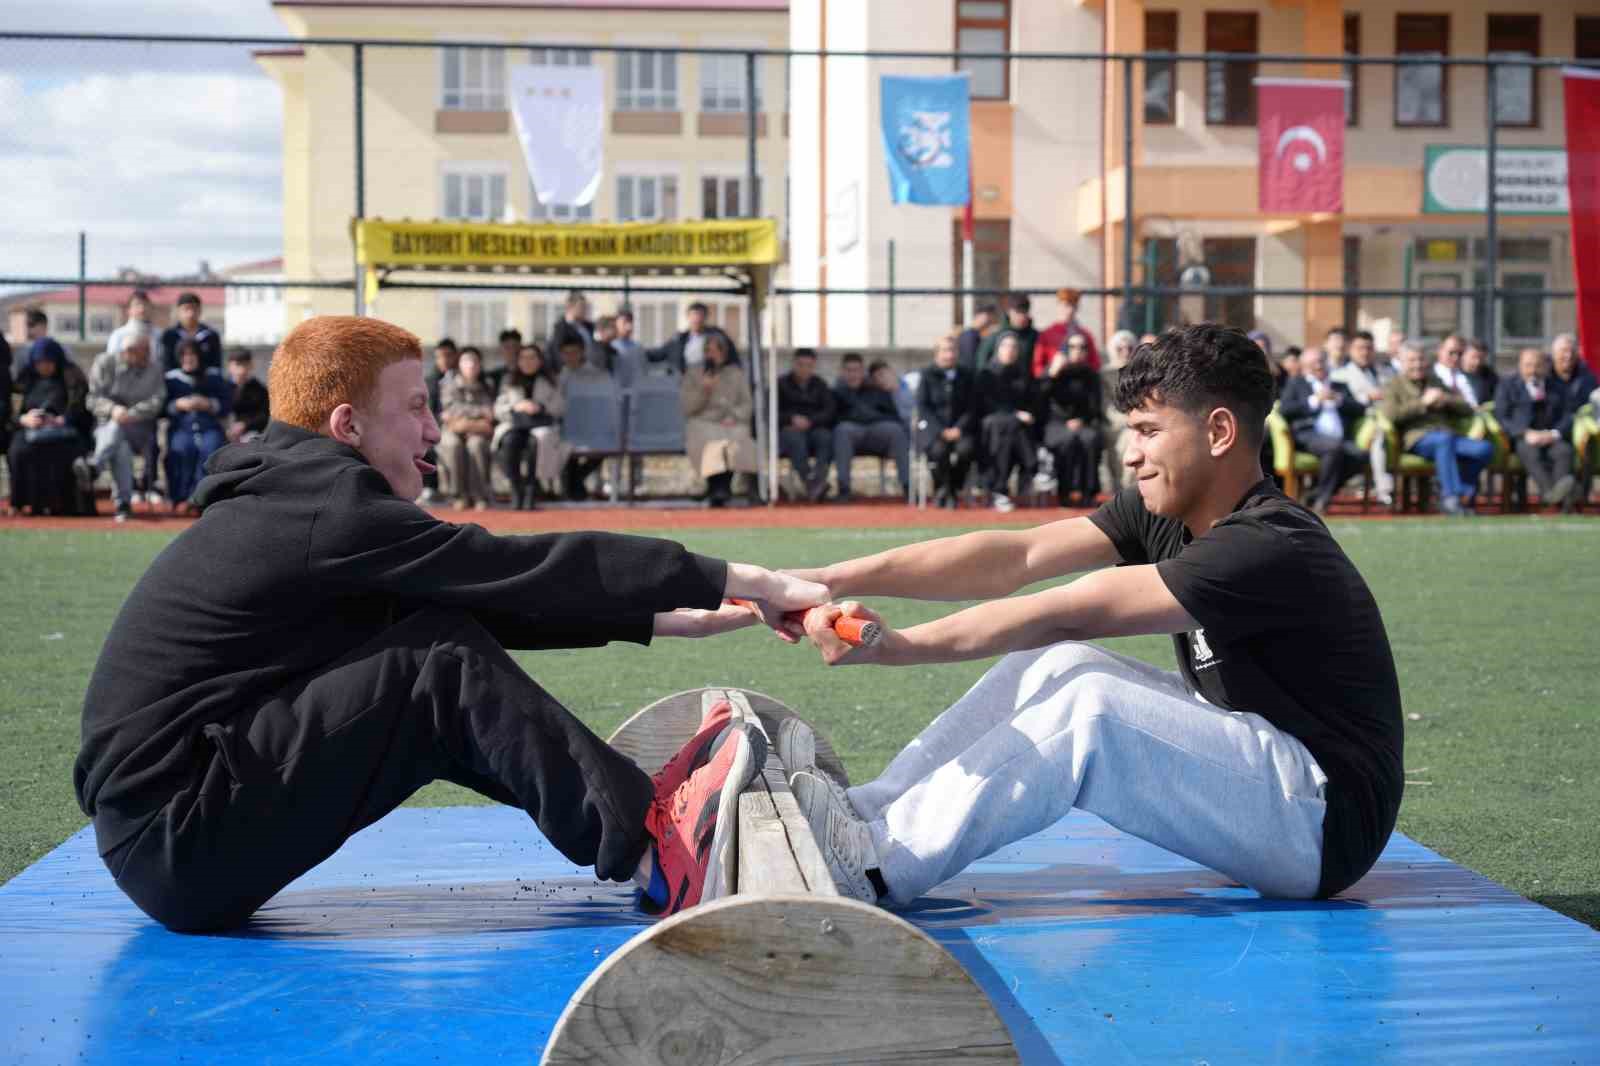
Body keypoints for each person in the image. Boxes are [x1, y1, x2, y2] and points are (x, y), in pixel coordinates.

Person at [74, 313, 828, 932]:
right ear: (347, 425)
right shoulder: (327, 511)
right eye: (415, 408)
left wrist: (671, 616)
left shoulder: (295, 497)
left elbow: (474, 598)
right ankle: (654, 845)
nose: (433, 429)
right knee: (435, 666)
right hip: (181, 838)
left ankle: (635, 820)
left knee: (433, 655)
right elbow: (518, 565)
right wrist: (739, 577)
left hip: (175, 838)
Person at [774, 323, 1403, 916]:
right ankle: (863, 816)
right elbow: (1015, 556)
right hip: (1263, 767)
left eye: (1149, 430)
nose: (1130, 454)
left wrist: (893, 645)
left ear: (1218, 432)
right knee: (1059, 664)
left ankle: (875, 868)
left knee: (1091, 705)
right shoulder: (1166, 511)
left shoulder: (1268, 541)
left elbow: (1063, 609)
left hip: (1322, 822)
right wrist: (825, 579)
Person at [1381, 341, 1490, 516]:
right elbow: (1392, 415)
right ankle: (1450, 498)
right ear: (1401, 362)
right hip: (1417, 438)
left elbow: (1467, 408)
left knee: (1483, 449)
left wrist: (1446, 399)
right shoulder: (1393, 385)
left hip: (1446, 436)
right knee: (1443, 441)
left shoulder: (1434, 381)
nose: (1418, 365)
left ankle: (1463, 494)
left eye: (1421, 360)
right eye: (1412, 360)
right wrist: (1423, 403)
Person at [8, 331, 93, 516]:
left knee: (60, 452)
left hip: (64, 430)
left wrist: (61, 419)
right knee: (19, 450)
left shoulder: (71, 376)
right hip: (29, 429)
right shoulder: (25, 380)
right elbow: (13, 411)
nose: (44, 367)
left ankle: (60, 505)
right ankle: (22, 503)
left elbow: (81, 408)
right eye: (39, 363)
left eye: (48, 362)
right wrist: (24, 419)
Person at [88, 333, 165, 523]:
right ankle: (123, 504)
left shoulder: (154, 369)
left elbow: (158, 401)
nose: (148, 356)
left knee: (118, 434)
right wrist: (113, 409)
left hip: (140, 428)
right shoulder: (104, 364)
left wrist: (131, 414)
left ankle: (95, 466)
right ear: (127, 352)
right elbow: (91, 399)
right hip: (105, 426)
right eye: (144, 352)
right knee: (119, 443)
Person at [1279, 348, 1367, 515]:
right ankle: (1322, 502)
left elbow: (1360, 409)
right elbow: (1285, 410)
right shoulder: (1296, 383)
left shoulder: (1339, 385)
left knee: (1362, 455)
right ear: (1304, 366)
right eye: (1314, 363)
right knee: (1333, 447)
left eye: (1321, 361)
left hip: (1340, 439)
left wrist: (1339, 400)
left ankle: (1315, 493)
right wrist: (1314, 401)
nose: (1319, 366)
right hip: (1308, 434)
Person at [1495, 347, 1576, 512]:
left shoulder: (1557, 386)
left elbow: (1569, 415)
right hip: (1524, 439)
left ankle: (1561, 502)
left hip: (1550, 437)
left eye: (1537, 365)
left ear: (1546, 367)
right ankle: (1550, 495)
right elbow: (1502, 416)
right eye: (1528, 365)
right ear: (1520, 366)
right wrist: (1525, 433)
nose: (1533, 370)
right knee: (1530, 452)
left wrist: (1553, 434)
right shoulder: (1507, 385)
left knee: (1564, 451)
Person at [681, 333, 758, 507]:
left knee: (735, 438)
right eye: (707, 350)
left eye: (715, 350)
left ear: (724, 353)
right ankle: (714, 486)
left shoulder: (736, 374)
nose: (711, 355)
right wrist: (704, 390)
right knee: (711, 438)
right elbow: (688, 408)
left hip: (732, 421)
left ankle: (723, 487)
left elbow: (747, 404)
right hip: (703, 421)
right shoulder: (693, 374)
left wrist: (733, 416)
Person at [831, 352, 910, 503]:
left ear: (862, 371)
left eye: (856, 370)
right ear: (842, 371)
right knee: (842, 430)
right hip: (850, 435)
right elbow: (832, 418)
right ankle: (844, 489)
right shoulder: (836, 392)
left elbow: (893, 416)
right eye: (849, 370)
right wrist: (860, 416)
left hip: (878, 433)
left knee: (896, 430)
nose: (853, 374)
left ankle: (908, 486)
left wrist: (869, 416)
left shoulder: (877, 390)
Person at [163, 339, 231, 512]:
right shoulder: (171, 379)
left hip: (209, 426)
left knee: (211, 448)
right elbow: (162, 407)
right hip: (182, 427)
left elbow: (225, 404)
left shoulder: (213, 376)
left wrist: (208, 404)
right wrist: (178, 404)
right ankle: (181, 496)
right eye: (184, 355)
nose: (189, 358)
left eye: (192, 354)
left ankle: (203, 497)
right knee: (181, 449)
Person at [494, 343, 564, 510]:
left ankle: (532, 488)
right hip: (514, 424)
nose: (528, 361)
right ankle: (516, 487)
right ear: (518, 361)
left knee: (536, 442)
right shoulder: (509, 381)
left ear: (540, 360)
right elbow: (498, 408)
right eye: (523, 358)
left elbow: (560, 406)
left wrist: (540, 407)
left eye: (532, 357)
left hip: (541, 425)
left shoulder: (551, 380)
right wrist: (516, 406)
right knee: (510, 441)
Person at [1331, 329, 1396, 505]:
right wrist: (1368, 398)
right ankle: (1385, 489)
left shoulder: (1386, 373)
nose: (1365, 352)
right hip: (1360, 423)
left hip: (1389, 419)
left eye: (1368, 348)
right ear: (1351, 350)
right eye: (1360, 348)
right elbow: (1342, 404)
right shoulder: (1340, 375)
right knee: (1378, 433)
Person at [975, 333, 1037, 513]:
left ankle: (999, 490)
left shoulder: (1022, 374)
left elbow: (1032, 402)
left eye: (1014, 347)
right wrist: (1014, 415)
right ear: (998, 349)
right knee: (1004, 427)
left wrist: (1018, 416)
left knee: (1012, 429)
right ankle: (1033, 466)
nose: (1010, 350)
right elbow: (984, 404)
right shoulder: (986, 373)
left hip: (1016, 429)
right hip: (990, 425)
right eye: (1006, 346)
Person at [915, 334, 978, 509]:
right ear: (937, 354)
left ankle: (953, 488)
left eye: (952, 350)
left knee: (966, 450)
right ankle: (943, 488)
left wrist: (959, 428)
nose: (949, 354)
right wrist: (941, 430)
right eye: (945, 351)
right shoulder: (927, 375)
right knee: (938, 452)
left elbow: (972, 407)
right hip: (936, 430)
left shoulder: (967, 375)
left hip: (960, 429)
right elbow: (923, 407)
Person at [1041, 335, 1104, 505]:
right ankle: (1065, 493)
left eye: (1082, 347)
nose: (1078, 351)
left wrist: (1082, 420)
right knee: (1067, 440)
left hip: (1083, 423)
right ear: (1065, 350)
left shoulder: (1090, 375)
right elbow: (1039, 399)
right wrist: (1052, 374)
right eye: (1073, 347)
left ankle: (1088, 494)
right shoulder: (1054, 371)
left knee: (1090, 439)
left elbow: (1095, 407)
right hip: (1056, 423)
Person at [437, 347, 496, 511]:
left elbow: (491, 412)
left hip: (477, 431)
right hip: (453, 430)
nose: (470, 365)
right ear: (459, 364)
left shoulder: (487, 385)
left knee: (476, 445)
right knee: (453, 445)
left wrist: (467, 421)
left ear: (480, 365)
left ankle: (479, 495)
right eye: (466, 361)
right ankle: (458, 495)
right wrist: (478, 415)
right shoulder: (449, 384)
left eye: (474, 361)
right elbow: (450, 410)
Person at [556, 336, 612, 501]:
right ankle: (573, 489)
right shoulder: (560, 376)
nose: (570, 356)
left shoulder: (596, 375)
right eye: (566, 353)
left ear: (582, 353)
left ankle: (576, 483)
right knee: (564, 450)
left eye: (574, 352)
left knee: (602, 448)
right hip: (567, 428)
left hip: (594, 426)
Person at [777, 347, 836, 502]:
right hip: (789, 431)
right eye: (800, 364)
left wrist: (811, 421)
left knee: (825, 437)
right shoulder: (781, 384)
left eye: (808, 365)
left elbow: (829, 411)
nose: (804, 369)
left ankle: (817, 480)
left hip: (814, 428)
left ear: (814, 366)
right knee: (794, 438)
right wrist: (791, 419)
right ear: (793, 364)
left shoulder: (820, 384)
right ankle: (813, 483)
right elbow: (771, 413)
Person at [649, 301, 739, 375]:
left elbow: (733, 360)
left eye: (700, 316)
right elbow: (659, 354)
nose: (697, 320)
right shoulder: (679, 340)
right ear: (688, 317)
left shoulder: (717, 337)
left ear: (705, 317)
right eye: (694, 316)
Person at [421, 339, 459, 502]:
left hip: (462, 424)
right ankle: (431, 487)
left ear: (456, 356)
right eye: (439, 357)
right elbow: (428, 410)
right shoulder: (429, 381)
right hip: (439, 426)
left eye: (448, 356)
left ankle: (458, 492)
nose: (444, 360)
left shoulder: (464, 376)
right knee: (424, 445)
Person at [1100, 330, 1138, 495]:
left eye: (1129, 348)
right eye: (1120, 348)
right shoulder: (1105, 374)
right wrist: (1128, 420)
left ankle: (1130, 492)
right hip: (1113, 424)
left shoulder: (1139, 372)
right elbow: (1106, 407)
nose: (1125, 352)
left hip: (1135, 424)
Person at [1032, 287, 1100, 378]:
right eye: (1066, 305)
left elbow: (1095, 365)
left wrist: (1081, 365)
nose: (1070, 310)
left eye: (1073, 306)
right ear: (1058, 305)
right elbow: (1037, 368)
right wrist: (1051, 370)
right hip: (1055, 385)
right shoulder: (1047, 334)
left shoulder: (1085, 335)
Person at [158, 291, 222, 374]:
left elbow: (216, 365)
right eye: (186, 309)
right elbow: (166, 364)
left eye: (194, 309)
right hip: (176, 382)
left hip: (206, 381)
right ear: (178, 311)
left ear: (200, 311)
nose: (190, 313)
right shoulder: (169, 335)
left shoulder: (211, 335)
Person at [975, 293, 1040, 371]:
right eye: (1017, 312)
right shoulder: (995, 337)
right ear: (1009, 312)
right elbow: (981, 364)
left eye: (1024, 312)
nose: (1021, 316)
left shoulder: (1035, 337)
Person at [1549, 333, 1599, 430]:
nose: (1568, 355)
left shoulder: (1588, 378)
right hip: (1546, 433)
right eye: (1564, 351)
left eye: (1572, 351)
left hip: (1580, 434)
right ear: (1553, 354)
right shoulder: (1543, 378)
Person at [225, 349, 271, 445]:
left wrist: (245, 425)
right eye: (238, 364)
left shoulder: (259, 389)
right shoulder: (222, 387)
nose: (242, 370)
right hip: (225, 430)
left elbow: (264, 416)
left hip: (251, 432)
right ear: (229, 366)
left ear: (251, 366)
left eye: (245, 365)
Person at [1431, 334, 1481, 405]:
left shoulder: (1470, 375)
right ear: (1439, 350)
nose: (1456, 358)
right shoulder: (1430, 375)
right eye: (1451, 353)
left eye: (1460, 354)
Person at [105, 289, 155, 360]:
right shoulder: (118, 335)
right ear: (128, 310)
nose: (142, 308)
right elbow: (112, 361)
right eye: (137, 304)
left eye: (145, 304)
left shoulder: (158, 335)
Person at [546, 289, 593, 358]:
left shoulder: (589, 326)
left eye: (586, 307)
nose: (585, 310)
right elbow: (555, 351)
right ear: (570, 307)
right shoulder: (561, 327)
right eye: (581, 307)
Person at [956, 303, 998, 373]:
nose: (991, 320)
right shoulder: (969, 336)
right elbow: (970, 363)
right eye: (989, 316)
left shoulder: (976, 335)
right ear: (979, 315)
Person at [611, 308, 647, 388]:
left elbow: (643, 371)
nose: (628, 326)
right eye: (624, 322)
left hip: (634, 392)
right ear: (615, 323)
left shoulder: (638, 347)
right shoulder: (611, 347)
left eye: (630, 322)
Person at [1461, 339, 1499, 408]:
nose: (1477, 362)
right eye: (1473, 357)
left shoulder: (1490, 376)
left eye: (1481, 358)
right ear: (1463, 355)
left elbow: (1498, 398)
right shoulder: (1454, 374)